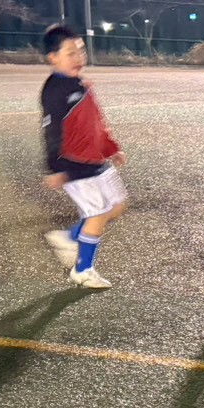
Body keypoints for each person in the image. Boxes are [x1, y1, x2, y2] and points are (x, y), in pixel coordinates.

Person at [38, 24, 128, 290]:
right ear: (53, 57)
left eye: (81, 51)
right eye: (70, 53)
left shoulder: (81, 83)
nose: (79, 58)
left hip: (96, 160)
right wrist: (54, 168)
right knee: (98, 215)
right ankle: (82, 270)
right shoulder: (55, 90)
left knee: (117, 205)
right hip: (73, 163)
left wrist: (111, 148)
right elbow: (51, 131)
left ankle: (69, 237)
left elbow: (96, 122)